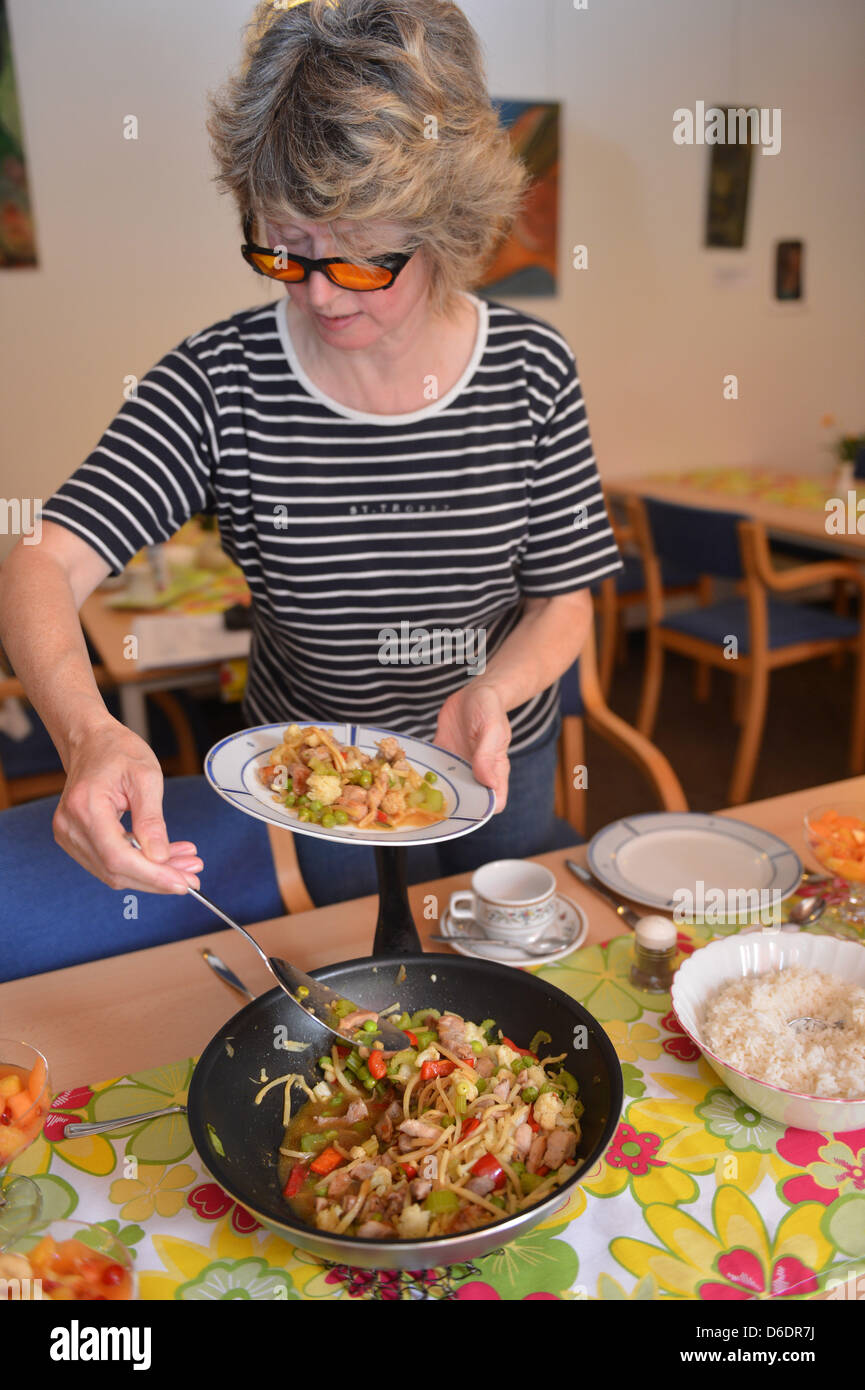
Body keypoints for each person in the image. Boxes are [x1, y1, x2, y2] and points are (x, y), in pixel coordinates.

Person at [0, 0, 621, 907]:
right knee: (353, 986)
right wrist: (87, 732)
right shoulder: (222, 380)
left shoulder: (531, 370)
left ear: (446, 230)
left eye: (364, 260)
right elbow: (42, 562)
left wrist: (496, 689)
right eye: (287, 251)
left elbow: (563, 603)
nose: (321, 297)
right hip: (306, 775)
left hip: (497, 762)